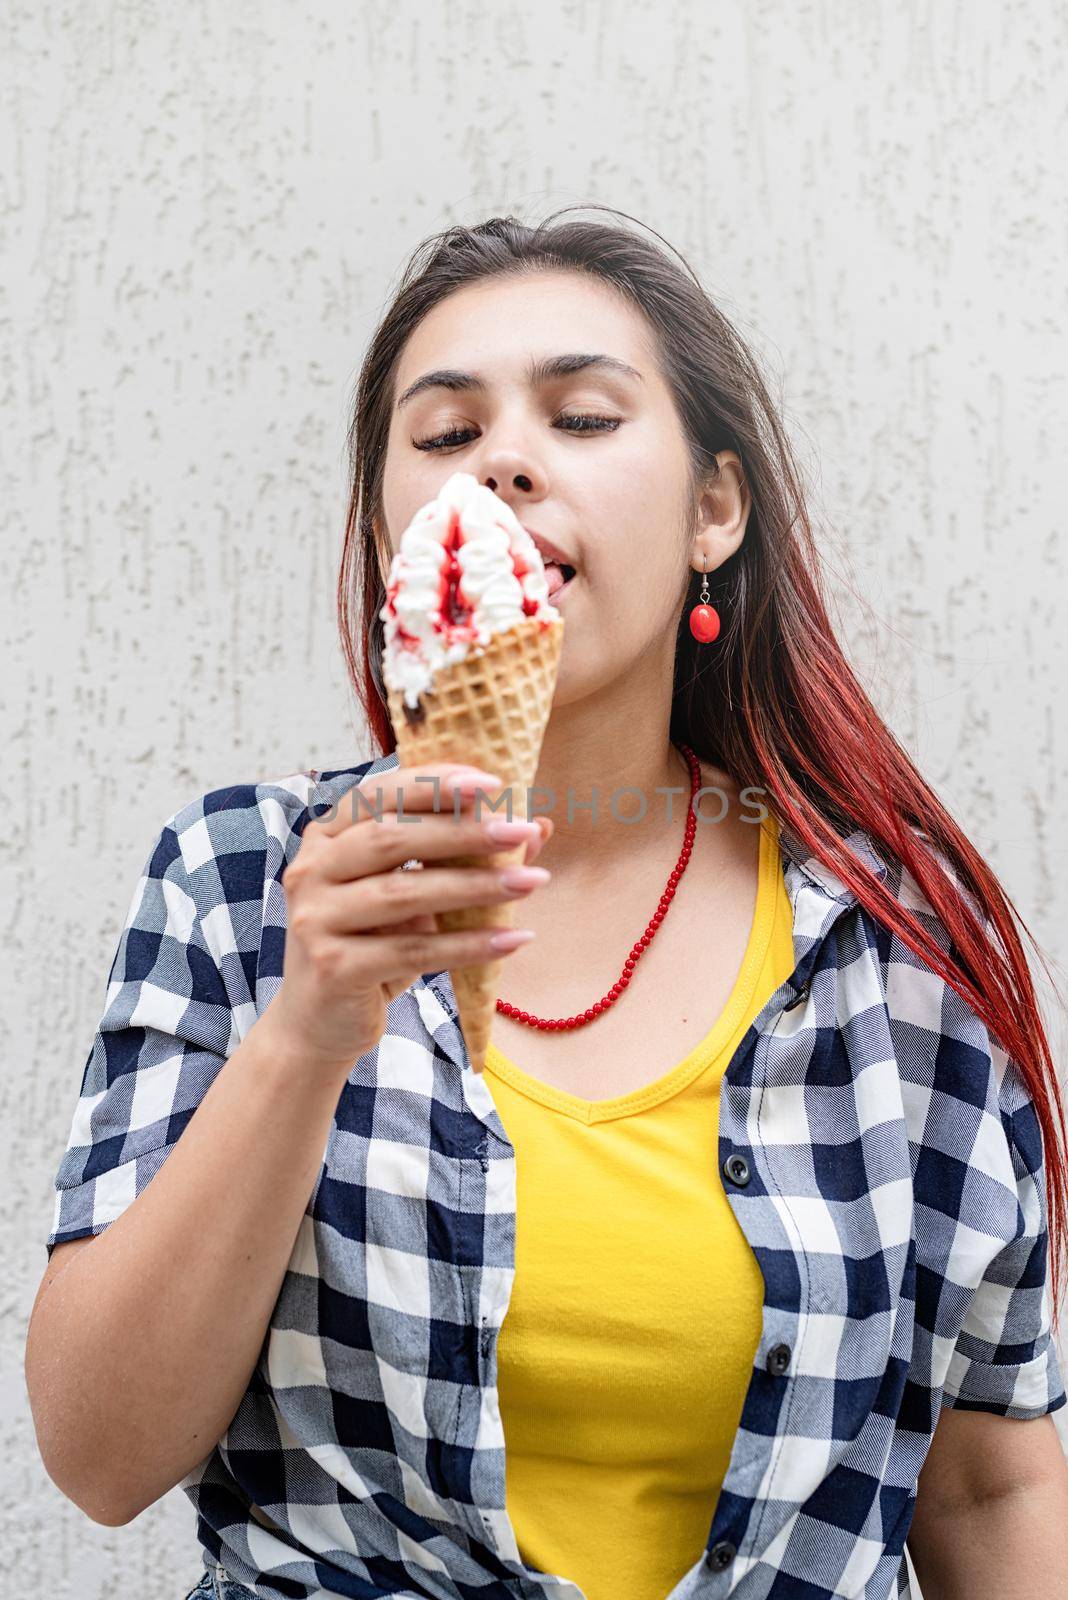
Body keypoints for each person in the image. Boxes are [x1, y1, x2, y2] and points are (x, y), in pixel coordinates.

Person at [25, 206, 1068, 1600]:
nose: (505, 459)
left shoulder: (897, 956)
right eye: (445, 436)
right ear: (388, 529)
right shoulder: (240, 879)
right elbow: (98, 1458)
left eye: (581, 416)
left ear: (715, 511)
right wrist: (308, 1028)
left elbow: (991, 1485)